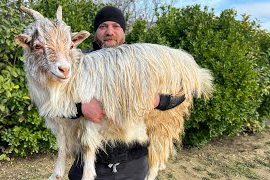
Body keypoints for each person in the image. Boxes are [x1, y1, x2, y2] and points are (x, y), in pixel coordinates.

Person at [68, 6, 185, 180]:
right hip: (88, 164)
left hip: (134, 165)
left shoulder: (143, 61)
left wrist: (156, 100)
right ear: (95, 32)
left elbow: (182, 93)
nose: (109, 31)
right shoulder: (77, 63)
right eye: (103, 26)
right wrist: (80, 108)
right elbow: (51, 103)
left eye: (116, 26)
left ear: (123, 32)